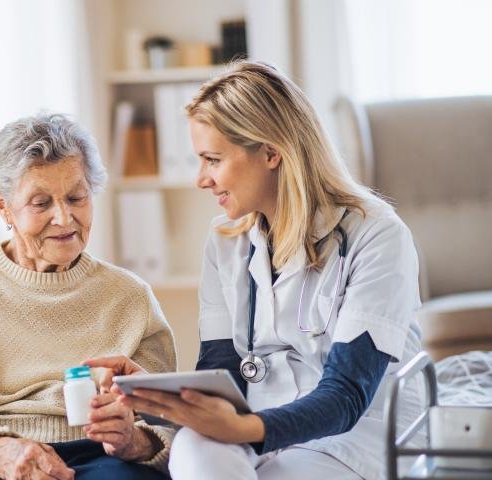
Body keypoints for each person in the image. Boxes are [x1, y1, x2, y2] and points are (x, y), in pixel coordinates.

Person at [88, 62, 424, 480]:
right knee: (193, 448)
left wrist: (244, 429)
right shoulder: (226, 239)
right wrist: (162, 395)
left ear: (270, 152)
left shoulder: (377, 236)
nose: (201, 180)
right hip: (254, 429)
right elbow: (225, 372)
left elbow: (346, 397)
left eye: (212, 159)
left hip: (349, 439)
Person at [0, 113, 176, 480]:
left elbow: (169, 426)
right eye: (41, 203)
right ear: (4, 206)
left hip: (102, 455)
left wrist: (136, 440)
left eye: (76, 197)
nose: (64, 218)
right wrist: (0, 451)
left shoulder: (130, 296)